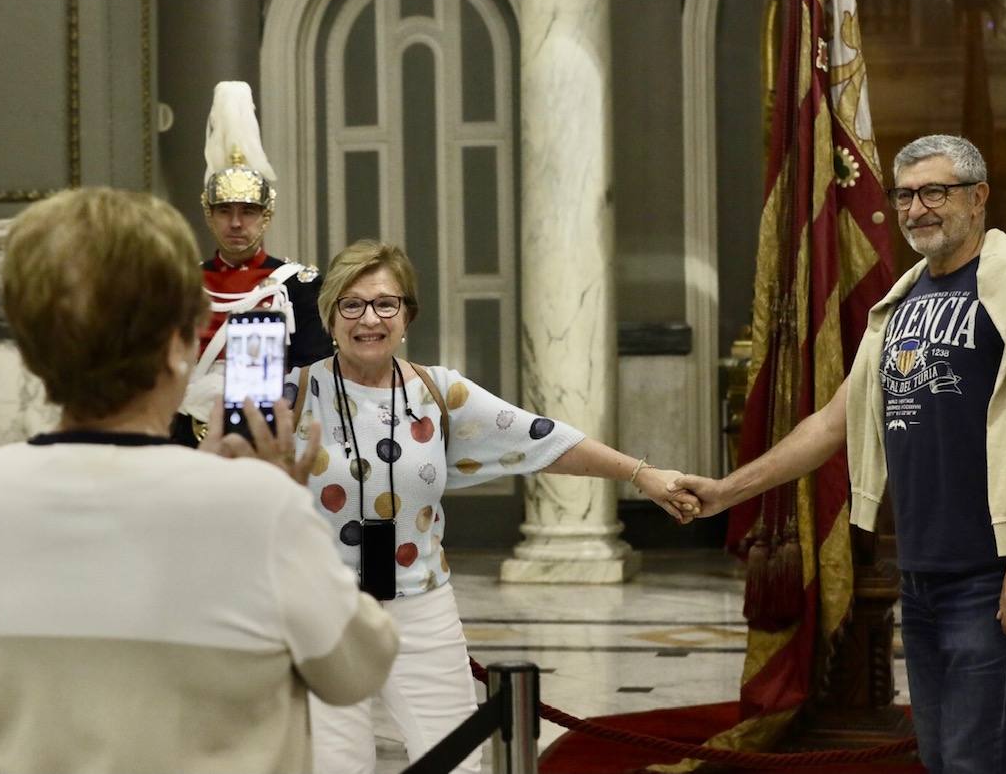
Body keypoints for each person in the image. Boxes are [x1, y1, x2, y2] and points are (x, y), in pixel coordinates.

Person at [675, 135, 1006, 774]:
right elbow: (830, 424)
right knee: (938, 755)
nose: (917, 208)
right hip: (921, 567)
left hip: (994, 567)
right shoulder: (902, 302)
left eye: (935, 192)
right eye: (904, 195)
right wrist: (727, 491)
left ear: (978, 198)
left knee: (976, 761)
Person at [0, 188, 399, 774]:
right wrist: (276, 503)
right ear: (178, 346)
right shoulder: (256, 504)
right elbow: (358, 670)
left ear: (35, 354)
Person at [288, 239, 699, 774]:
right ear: (331, 316)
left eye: (385, 303)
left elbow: (541, 438)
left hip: (420, 607)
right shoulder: (296, 394)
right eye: (352, 303)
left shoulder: (438, 392)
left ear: (406, 315)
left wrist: (641, 474)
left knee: (457, 762)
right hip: (324, 612)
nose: (370, 318)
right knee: (335, 768)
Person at [174, 81, 331, 445]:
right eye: (224, 211)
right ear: (208, 215)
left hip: (271, 434)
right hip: (185, 434)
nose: (235, 223)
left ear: (267, 215)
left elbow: (312, 376)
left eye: (248, 211)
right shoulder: (182, 284)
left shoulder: (299, 285)